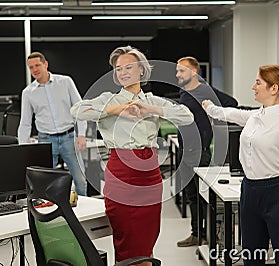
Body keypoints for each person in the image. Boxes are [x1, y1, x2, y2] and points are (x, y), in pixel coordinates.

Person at [71, 46, 194, 264]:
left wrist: (151, 110)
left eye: (129, 67)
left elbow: (187, 116)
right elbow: (77, 110)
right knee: (126, 239)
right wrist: (115, 110)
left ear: (141, 71)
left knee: (147, 239)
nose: (123, 72)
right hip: (121, 174)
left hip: (149, 174)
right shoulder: (109, 99)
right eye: (118, 69)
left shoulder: (152, 100)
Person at [202, 64, 279, 265]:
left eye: (258, 83)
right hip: (250, 190)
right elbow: (229, 113)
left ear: (274, 88)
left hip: (278, 191)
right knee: (252, 253)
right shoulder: (254, 116)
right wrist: (210, 108)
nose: (253, 87)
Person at [175, 56, 238, 248]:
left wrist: (215, 116)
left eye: (181, 71)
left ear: (194, 72)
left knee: (204, 198)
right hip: (184, 151)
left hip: (199, 152)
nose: (177, 74)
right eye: (176, 71)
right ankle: (197, 234)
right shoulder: (185, 92)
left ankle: (211, 235)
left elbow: (232, 102)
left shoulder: (205, 91)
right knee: (192, 196)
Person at [18, 51, 88, 196]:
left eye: (37, 65)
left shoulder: (65, 82)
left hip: (69, 137)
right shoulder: (28, 92)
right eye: (31, 67)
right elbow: (25, 123)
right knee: (44, 182)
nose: (35, 70)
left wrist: (81, 134)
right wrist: (22, 148)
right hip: (46, 140)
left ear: (46, 64)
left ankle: (82, 213)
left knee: (80, 180)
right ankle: (49, 213)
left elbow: (79, 108)